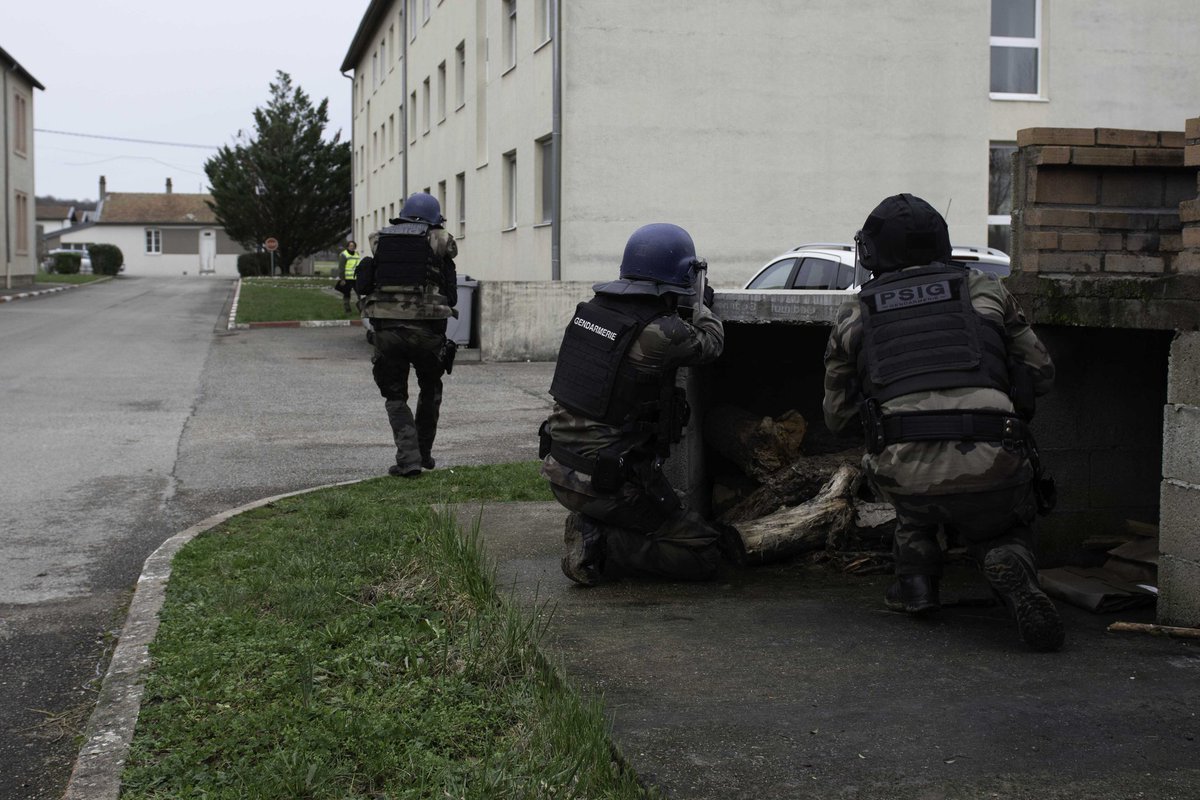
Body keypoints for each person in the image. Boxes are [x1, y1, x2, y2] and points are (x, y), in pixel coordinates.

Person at [822, 193, 1063, 652]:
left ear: (872, 251)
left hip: (906, 469)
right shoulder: (985, 289)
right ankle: (1005, 556)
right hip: (995, 456)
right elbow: (1042, 374)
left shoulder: (856, 312)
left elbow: (838, 418)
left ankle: (916, 585)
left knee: (915, 499)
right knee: (1001, 519)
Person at [539, 222, 730, 586]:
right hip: (605, 482)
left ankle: (591, 525)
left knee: (667, 509)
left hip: (561, 468)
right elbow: (711, 343)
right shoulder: (662, 332)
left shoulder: (592, 313)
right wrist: (702, 303)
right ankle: (599, 545)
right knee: (704, 550)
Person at [355, 192, 458, 477]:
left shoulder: (380, 240)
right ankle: (423, 454)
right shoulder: (440, 240)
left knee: (395, 395)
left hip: (387, 330)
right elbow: (451, 294)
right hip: (427, 332)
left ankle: (408, 458)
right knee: (430, 387)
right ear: (434, 219)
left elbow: (365, 282)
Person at [336, 241, 362, 314]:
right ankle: (347, 310)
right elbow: (341, 267)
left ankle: (361, 309)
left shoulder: (357, 254)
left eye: (353, 246)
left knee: (360, 294)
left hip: (356, 278)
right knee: (347, 294)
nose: (352, 247)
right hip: (347, 279)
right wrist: (342, 279)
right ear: (347, 246)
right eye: (350, 246)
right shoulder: (344, 255)